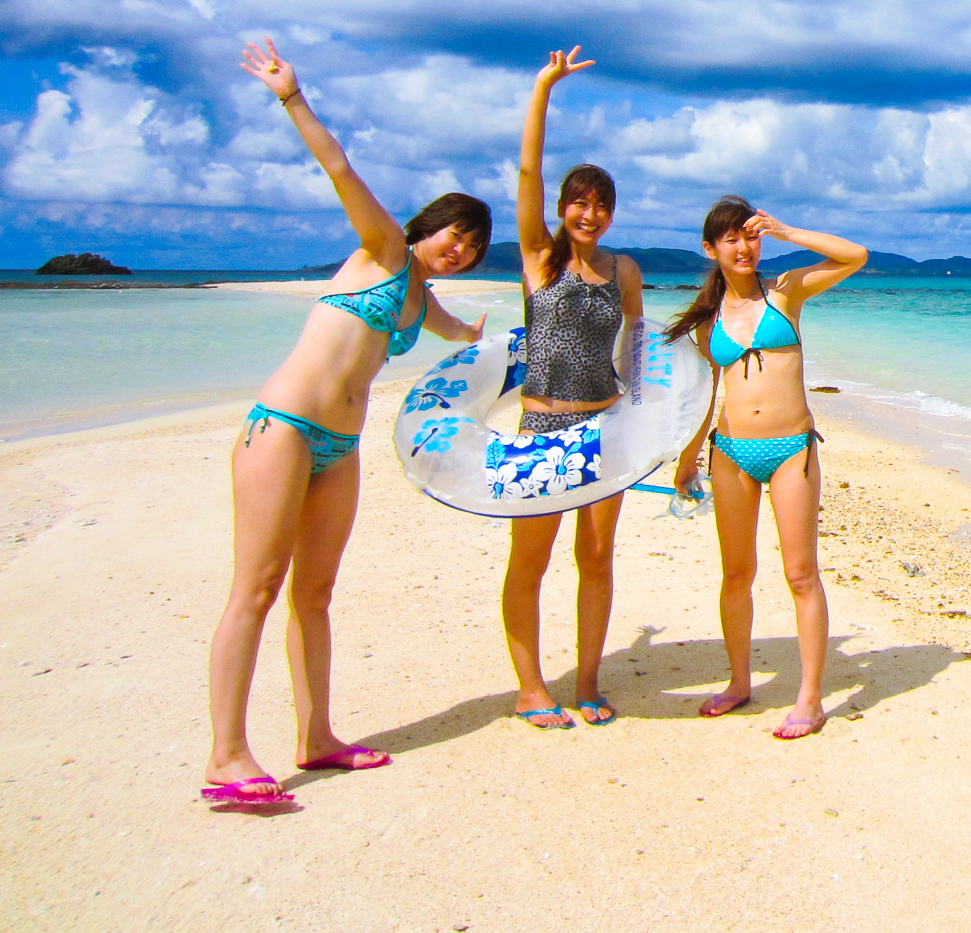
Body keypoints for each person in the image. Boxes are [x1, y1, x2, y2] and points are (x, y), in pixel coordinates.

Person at [206, 40, 491, 808]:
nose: (459, 248)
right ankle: (227, 755)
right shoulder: (383, 250)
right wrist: (291, 97)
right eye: (453, 233)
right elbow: (341, 170)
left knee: (316, 593)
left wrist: (499, 345)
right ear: (426, 227)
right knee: (257, 587)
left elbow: (461, 334)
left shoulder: (419, 299)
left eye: (471, 245)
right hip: (286, 426)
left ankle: (317, 736)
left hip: (340, 447)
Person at [670, 196, 866, 739]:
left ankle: (809, 697)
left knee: (801, 574)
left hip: (791, 450)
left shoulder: (785, 292)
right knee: (737, 574)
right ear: (711, 249)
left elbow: (855, 256)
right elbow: (704, 394)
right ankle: (738, 682)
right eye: (730, 238)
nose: (744, 247)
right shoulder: (708, 319)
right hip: (730, 452)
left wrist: (786, 229)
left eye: (750, 236)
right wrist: (688, 459)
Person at [499, 47, 644, 730]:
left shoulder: (624, 270)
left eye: (601, 206)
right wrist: (543, 87)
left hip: (604, 428)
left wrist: (647, 416)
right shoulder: (539, 256)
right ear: (562, 208)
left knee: (596, 558)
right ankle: (531, 689)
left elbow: (637, 346)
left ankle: (588, 682)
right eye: (579, 203)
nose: (590, 214)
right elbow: (526, 170)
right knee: (532, 558)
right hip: (543, 428)